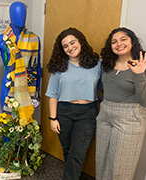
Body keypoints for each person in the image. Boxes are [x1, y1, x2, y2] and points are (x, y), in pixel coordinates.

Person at [96, 27, 146, 180]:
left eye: (123, 39)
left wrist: (139, 75)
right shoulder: (107, 66)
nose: (118, 44)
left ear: (132, 42)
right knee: (101, 161)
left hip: (131, 118)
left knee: (120, 167)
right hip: (105, 114)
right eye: (114, 41)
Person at [45, 27, 102, 180]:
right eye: (65, 46)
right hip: (64, 112)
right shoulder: (60, 67)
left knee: (78, 153)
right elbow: (53, 95)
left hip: (87, 113)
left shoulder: (97, 64)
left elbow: (107, 86)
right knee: (68, 150)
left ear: (80, 41)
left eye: (72, 42)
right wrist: (53, 119)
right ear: (62, 50)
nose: (70, 48)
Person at [0, 1, 41, 120]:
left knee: (25, 122)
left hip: (28, 84)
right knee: (7, 121)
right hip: (8, 85)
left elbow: (37, 66)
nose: (21, 17)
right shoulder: (0, 40)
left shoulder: (34, 39)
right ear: (11, 16)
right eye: (17, 14)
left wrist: (37, 88)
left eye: (23, 14)